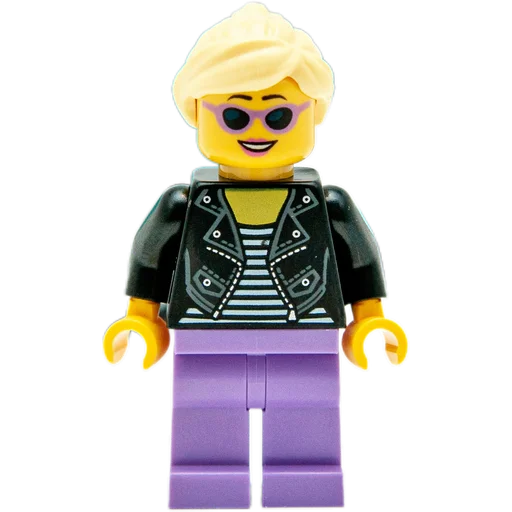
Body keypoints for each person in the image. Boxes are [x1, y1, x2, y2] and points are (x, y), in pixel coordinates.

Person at [101, 2, 408, 509]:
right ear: (198, 114)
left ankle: (306, 477)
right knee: (204, 414)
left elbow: (358, 260)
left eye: (279, 115)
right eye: (235, 115)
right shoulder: (185, 203)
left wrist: (370, 318)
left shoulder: (327, 203)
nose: (257, 130)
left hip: (308, 334)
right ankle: (205, 478)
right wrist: (141, 318)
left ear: (314, 113)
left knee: (309, 414)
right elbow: (150, 258)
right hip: (205, 333)